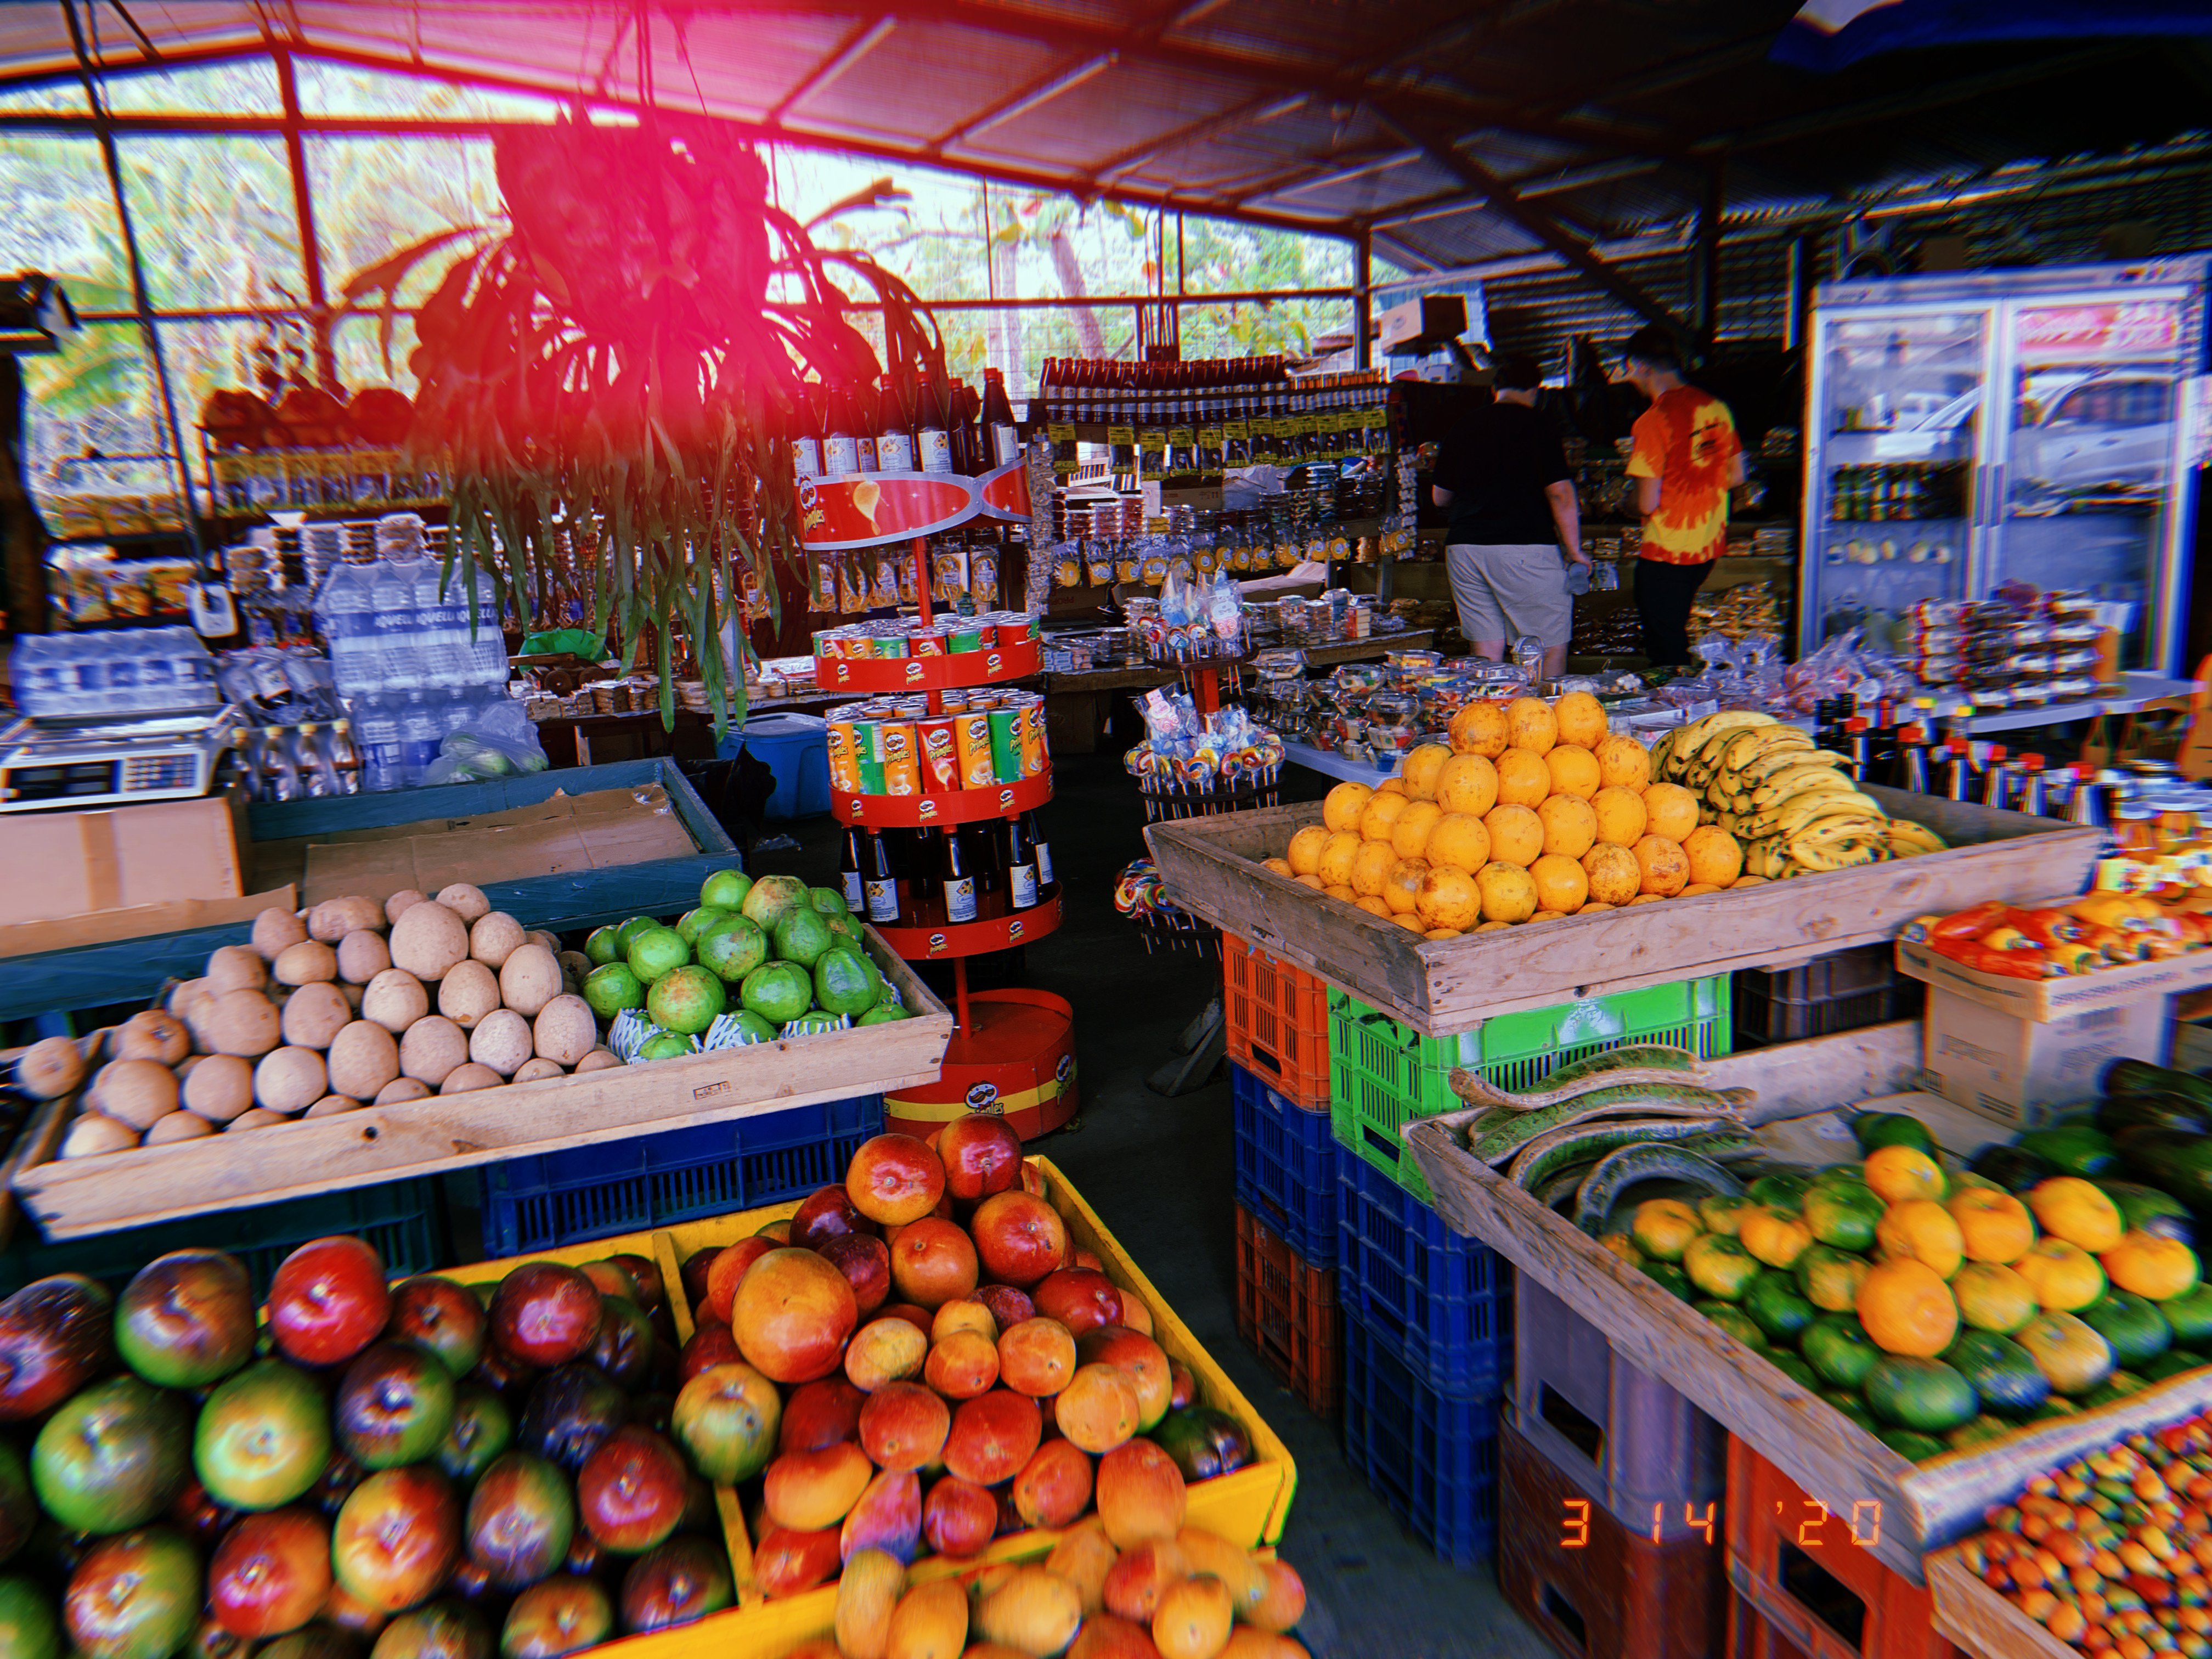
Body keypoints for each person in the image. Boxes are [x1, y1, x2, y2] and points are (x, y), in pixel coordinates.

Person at [1429, 354, 1585, 678]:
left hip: (1465, 550)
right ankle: (1544, 721)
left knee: (1487, 650)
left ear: (1495, 390)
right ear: (1536, 391)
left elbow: (1440, 497)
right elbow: (1561, 493)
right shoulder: (1540, 425)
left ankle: (1492, 722)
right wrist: (1575, 552)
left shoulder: (1464, 425)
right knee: (1546, 647)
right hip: (1524, 547)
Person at [1620, 324, 1747, 668]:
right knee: (1676, 631)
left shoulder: (1652, 420)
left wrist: (1625, 502)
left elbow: (1646, 503)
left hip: (1667, 553)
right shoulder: (1716, 408)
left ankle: (1678, 709)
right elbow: (1737, 475)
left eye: (1626, 368)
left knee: (1666, 648)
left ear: (1638, 365)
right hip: (1707, 547)